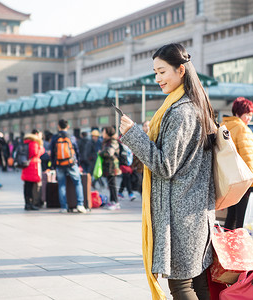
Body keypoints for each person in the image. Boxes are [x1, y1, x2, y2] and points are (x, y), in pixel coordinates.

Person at [119, 43, 215, 299]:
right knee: (198, 282)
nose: (157, 78)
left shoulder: (182, 111)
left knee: (182, 286)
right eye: (155, 72)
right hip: (193, 209)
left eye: (162, 72)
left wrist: (133, 135)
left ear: (180, 70)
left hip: (181, 212)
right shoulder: (194, 105)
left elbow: (165, 165)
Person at [221, 97, 253, 230]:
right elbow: (248, 157)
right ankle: (239, 247)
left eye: (251, 115)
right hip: (243, 180)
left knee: (231, 215)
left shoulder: (224, 126)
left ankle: (227, 245)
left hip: (229, 179)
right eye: (247, 114)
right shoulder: (243, 129)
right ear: (238, 113)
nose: (249, 118)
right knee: (242, 218)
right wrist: (252, 183)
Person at [49, 119, 87, 214]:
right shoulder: (71, 137)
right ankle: (80, 204)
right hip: (71, 163)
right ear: (68, 126)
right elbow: (76, 151)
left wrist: (54, 164)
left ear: (58, 126)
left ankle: (64, 207)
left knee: (61, 185)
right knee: (77, 183)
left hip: (59, 164)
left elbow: (52, 153)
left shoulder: (55, 137)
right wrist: (77, 162)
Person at [21, 129, 45, 211]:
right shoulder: (34, 143)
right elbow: (35, 153)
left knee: (27, 185)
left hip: (27, 165)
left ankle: (28, 203)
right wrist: (41, 148)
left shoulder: (27, 141)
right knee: (30, 186)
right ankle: (30, 204)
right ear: (37, 134)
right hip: (32, 166)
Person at [99, 126, 121, 210]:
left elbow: (109, 152)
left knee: (113, 185)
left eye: (103, 132)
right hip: (108, 167)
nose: (102, 134)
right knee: (110, 185)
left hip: (112, 167)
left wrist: (101, 153)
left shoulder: (113, 141)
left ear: (108, 133)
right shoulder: (107, 142)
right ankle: (112, 201)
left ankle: (116, 202)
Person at [131, 120, 150, 194]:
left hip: (150, 167)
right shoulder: (140, 137)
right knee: (140, 184)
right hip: (140, 167)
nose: (147, 127)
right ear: (142, 127)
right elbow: (135, 152)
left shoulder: (154, 136)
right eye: (145, 125)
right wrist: (133, 165)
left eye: (148, 125)